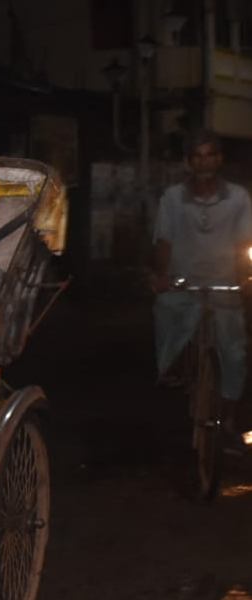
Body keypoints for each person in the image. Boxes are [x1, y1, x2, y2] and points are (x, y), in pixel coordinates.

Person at [152, 129, 252, 448]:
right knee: (165, 311)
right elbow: (164, 240)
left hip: (225, 283)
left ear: (219, 159)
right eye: (198, 156)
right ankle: (173, 367)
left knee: (235, 354)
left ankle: (229, 420)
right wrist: (162, 275)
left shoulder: (238, 198)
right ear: (188, 162)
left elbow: (245, 242)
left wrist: (247, 276)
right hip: (184, 282)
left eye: (210, 155)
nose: (205, 161)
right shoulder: (172, 198)